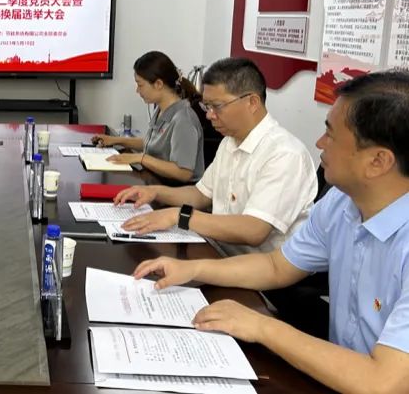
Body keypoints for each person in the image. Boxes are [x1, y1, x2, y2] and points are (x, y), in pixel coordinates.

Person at [132, 70, 409, 394]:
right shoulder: (341, 203)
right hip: (336, 374)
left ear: (378, 161)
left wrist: (262, 326)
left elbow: (384, 382)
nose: (319, 143)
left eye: (331, 135)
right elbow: (277, 266)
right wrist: (193, 269)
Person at [114, 57, 316, 256]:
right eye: (207, 107)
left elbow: (253, 230)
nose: (209, 115)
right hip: (218, 250)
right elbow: (200, 195)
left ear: (252, 102)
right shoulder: (230, 141)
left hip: (256, 268)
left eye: (217, 106)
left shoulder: (284, 154)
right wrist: (154, 192)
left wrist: (179, 216)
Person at [92, 51, 205, 183]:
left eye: (140, 85)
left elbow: (183, 173)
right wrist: (115, 140)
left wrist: (141, 158)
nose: (137, 90)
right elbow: (151, 145)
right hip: (155, 181)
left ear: (158, 84)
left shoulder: (184, 119)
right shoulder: (161, 109)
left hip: (176, 189)